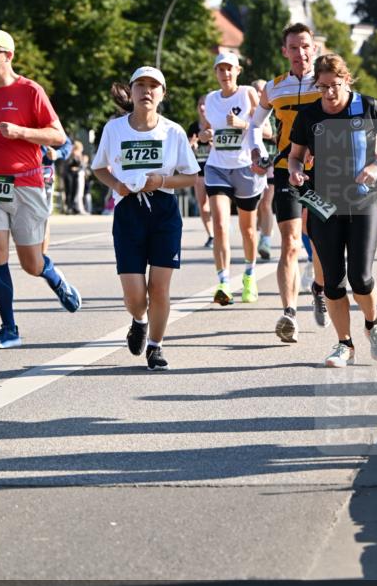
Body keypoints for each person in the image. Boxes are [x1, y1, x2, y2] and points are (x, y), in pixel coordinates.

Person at [0, 28, 81, 349]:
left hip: (27, 184)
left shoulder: (31, 91)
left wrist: (21, 132)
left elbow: (58, 137)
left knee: (31, 264)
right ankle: (9, 329)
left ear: (7, 55)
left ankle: (52, 275)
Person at [289, 54, 377, 367]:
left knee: (361, 277)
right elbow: (295, 156)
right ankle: (344, 344)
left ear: (346, 80)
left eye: (334, 86)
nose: (329, 93)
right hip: (324, 203)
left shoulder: (367, 106)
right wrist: (296, 172)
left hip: (364, 200)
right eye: (322, 87)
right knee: (333, 281)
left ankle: (372, 325)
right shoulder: (309, 115)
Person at [91, 66, 199, 370]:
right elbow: (99, 167)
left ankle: (155, 346)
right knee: (136, 294)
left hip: (163, 212)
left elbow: (191, 176)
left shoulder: (173, 131)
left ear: (162, 94)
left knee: (160, 289)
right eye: (141, 85)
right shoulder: (114, 129)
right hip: (128, 211)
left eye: (154, 86)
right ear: (132, 90)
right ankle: (139, 320)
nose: (147, 91)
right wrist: (117, 185)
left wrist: (160, 181)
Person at [249, 23, 329, 342]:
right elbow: (255, 125)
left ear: (315, 49)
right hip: (285, 170)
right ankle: (289, 313)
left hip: (323, 172)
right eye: (294, 48)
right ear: (285, 52)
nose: (300, 53)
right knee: (291, 242)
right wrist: (257, 150)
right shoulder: (274, 87)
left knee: (321, 240)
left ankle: (319, 288)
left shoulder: (325, 84)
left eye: (306, 46)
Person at [200, 51, 265, 305]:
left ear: (238, 71)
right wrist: (206, 136)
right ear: (215, 73)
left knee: (248, 230)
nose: (225, 74)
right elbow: (207, 132)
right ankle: (224, 283)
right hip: (217, 167)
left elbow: (267, 129)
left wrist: (242, 124)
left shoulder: (248, 93)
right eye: (220, 69)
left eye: (230, 69)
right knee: (219, 226)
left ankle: (249, 276)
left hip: (245, 168)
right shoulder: (210, 99)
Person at [251, 79, 278, 261]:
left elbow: (270, 133)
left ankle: (265, 241)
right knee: (255, 205)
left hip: (270, 160)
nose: (260, 93)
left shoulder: (271, 111)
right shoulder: (244, 110)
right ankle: (255, 236)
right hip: (250, 161)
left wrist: (247, 125)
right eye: (256, 90)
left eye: (262, 90)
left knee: (266, 203)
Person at [187, 95, 214, 248]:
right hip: (199, 171)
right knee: (203, 205)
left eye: (205, 104)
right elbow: (186, 153)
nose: (202, 107)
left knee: (215, 205)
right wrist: (191, 147)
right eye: (199, 104)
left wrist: (214, 146)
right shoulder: (193, 128)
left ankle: (219, 229)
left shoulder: (216, 126)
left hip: (216, 170)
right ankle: (211, 235)